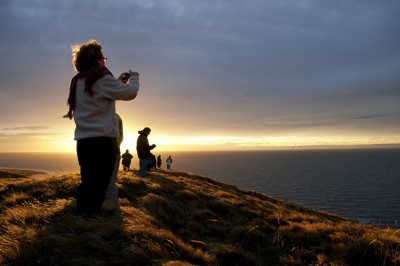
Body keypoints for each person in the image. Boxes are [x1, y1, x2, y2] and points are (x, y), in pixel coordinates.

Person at [63, 39, 140, 215]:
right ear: (97, 59)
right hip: (103, 142)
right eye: (103, 58)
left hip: (83, 142)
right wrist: (134, 78)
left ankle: (82, 219)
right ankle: (90, 224)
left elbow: (101, 94)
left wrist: (117, 82)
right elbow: (130, 93)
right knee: (100, 186)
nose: (104, 61)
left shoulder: (78, 81)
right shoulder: (101, 77)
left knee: (88, 183)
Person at [103, 113, 123, 209]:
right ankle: (111, 207)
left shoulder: (91, 113)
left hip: (97, 151)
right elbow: (121, 135)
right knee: (111, 180)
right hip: (114, 149)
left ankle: (96, 208)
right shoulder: (116, 116)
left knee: (94, 179)